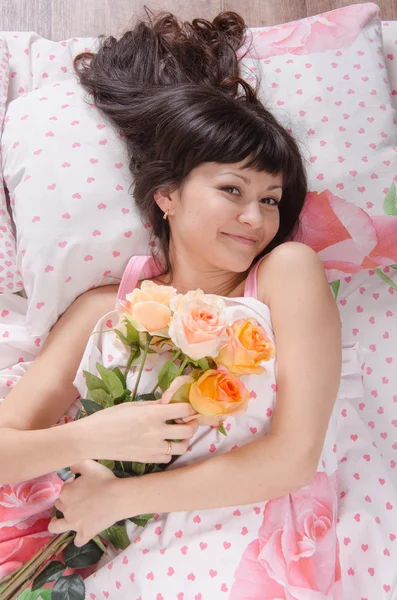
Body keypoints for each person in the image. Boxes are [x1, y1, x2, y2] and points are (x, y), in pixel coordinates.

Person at [0, 9, 344, 597]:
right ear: (167, 195)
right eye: (231, 190)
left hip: (225, 531)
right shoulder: (104, 308)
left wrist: (121, 498)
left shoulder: (286, 273)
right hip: (70, 531)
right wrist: (96, 437)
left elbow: (292, 459)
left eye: (271, 200)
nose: (256, 218)